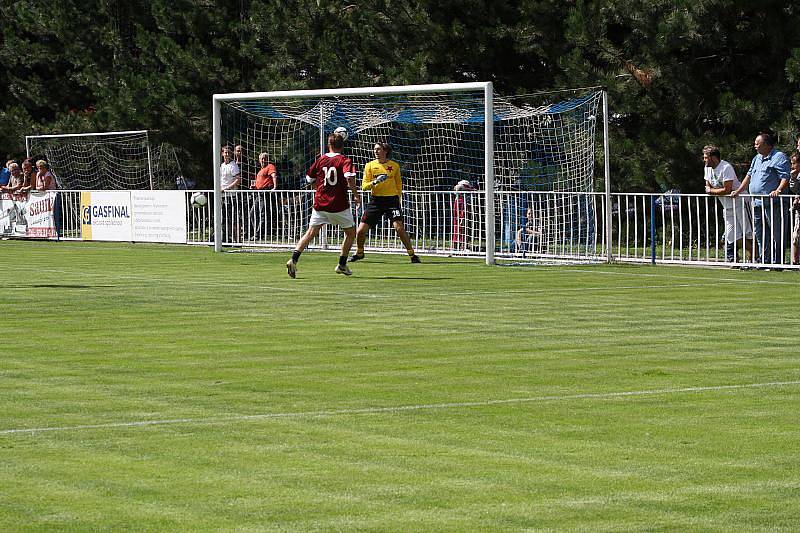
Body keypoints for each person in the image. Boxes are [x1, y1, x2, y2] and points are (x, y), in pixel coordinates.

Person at [286, 133, 361, 278]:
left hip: (320, 203)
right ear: (343, 145)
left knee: (310, 233)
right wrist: (356, 195)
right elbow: (350, 178)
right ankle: (342, 264)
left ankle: (293, 259)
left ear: (329, 145)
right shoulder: (344, 160)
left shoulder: (321, 160)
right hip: (338, 204)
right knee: (351, 233)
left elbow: (309, 179)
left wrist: (319, 186)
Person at [349, 141, 421, 263]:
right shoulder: (369, 166)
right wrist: (375, 182)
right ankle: (359, 252)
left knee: (399, 228)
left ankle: (412, 255)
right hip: (376, 201)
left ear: (385, 151)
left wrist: (398, 198)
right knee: (360, 230)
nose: (375, 151)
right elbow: (364, 186)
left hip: (391, 201)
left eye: (378, 149)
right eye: (375, 149)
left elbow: (398, 184)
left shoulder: (395, 166)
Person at [732, 133, 790, 266]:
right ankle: (765, 260)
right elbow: (749, 175)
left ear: (766, 145)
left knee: (777, 233)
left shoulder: (779, 157)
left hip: (773, 203)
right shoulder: (757, 158)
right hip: (757, 202)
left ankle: (778, 261)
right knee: (760, 233)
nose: (755, 146)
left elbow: (785, 177)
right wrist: (739, 191)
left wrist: (778, 190)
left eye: (757, 143)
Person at [702, 145, 753, 264]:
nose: (704, 160)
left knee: (749, 231)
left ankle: (755, 257)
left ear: (713, 157)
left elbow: (727, 189)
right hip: (727, 205)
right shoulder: (707, 168)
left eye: (706, 157)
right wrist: (711, 190)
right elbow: (707, 185)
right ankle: (754, 251)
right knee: (732, 235)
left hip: (740, 202)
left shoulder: (726, 167)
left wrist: (712, 191)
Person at [248, 152, 278, 240]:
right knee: (252, 213)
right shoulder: (261, 170)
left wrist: (275, 187)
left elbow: (274, 176)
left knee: (262, 213)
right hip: (258, 193)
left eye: (265, 158)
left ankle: (258, 234)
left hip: (265, 192)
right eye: (262, 158)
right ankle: (256, 232)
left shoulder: (270, 166)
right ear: (259, 160)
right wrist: (254, 187)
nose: (263, 160)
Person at [219, 146, 241, 242]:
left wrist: (227, 188)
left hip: (232, 196)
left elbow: (238, 180)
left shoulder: (233, 165)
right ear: (222, 154)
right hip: (223, 196)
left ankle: (238, 240)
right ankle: (230, 239)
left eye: (229, 152)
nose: (227, 154)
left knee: (234, 219)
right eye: (225, 152)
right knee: (226, 219)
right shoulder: (222, 165)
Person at [452, 179, 474, 249]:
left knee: (460, 230)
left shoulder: (460, 199)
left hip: (461, 217)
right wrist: (462, 218)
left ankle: (459, 247)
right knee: (461, 230)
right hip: (461, 217)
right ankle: (461, 247)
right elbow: (461, 211)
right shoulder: (461, 199)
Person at [790, 151, 800, 264]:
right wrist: (793, 178)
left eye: (794, 163)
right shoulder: (795, 174)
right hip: (799, 210)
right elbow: (793, 189)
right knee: (796, 236)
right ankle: (795, 262)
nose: (792, 166)